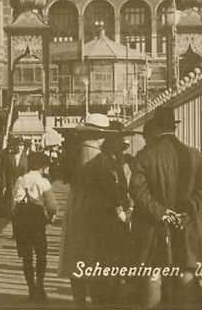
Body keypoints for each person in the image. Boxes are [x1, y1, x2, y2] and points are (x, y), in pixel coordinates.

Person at [130, 106, 202, 308]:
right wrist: (187, 212)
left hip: (153, 229)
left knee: (153, 272)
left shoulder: (145, 156)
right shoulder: (194, 155)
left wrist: (163, 213)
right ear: (173, 128)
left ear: (155, 128)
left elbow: (137, 191)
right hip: (187, 226)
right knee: (186, 270)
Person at [57, 113, 123, 307]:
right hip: (98, 213)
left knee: (77, 258)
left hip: (76, 209)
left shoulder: (73, 153)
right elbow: (112, 189)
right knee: (96, 259)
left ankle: (79, 303)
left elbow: (65, 177)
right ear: (101, 136)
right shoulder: (103, 159)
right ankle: (98, 303)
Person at [84, 129, 133, 305]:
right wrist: (121, 210)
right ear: (113, 142)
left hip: (106, 216)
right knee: (109, 258)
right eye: (121, 143)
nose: (123, 147)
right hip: (109, 217)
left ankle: (106, 296)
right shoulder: (105, 161)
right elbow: (111, 188)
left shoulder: (110, 159)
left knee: (108, 259)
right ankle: (107, 298)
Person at [12, 151, 57, 302]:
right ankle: (40, 286)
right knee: (41, 255)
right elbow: (52, 205)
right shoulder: (43, 182)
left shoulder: (20, 180)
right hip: (37, 222)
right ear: (43, 166)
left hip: (21, 222)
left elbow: (14, 202)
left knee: (26, 257)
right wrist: (50, 217)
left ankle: (31, 288)